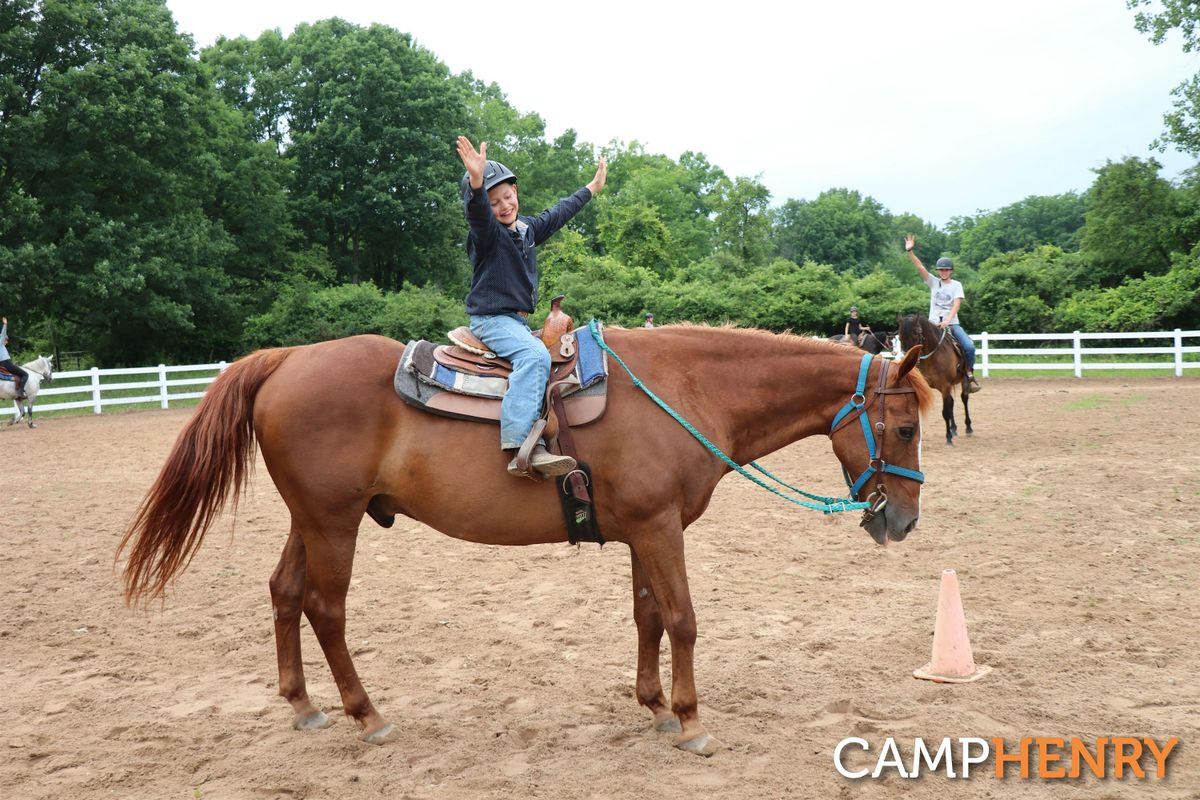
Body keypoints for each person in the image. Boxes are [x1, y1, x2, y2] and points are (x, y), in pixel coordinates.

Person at [456, 136, 607, 477]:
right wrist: (477, 184)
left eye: (507, 196)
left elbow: (559, 212)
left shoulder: (526, 229)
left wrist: (592, 188)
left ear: (516, 191)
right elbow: (478, 216)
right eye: (495, 202)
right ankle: (520, 445)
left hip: (515, 321)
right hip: (492, 320)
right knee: (534, 356)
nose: (504, 205)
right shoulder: (487, 234)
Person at [904, 235, 980, 392]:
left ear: (950, 271)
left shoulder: (956, 285)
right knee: (915, 344)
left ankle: (969, 374)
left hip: (951, 324)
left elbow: (956, 305)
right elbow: (920, 267)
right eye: (941, 270)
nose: (943, 272)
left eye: (946, 269)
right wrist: (910, 251)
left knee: (969, 346)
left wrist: (947, 321)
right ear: (938, 271)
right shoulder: (933, 282)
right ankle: (911, 374)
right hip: (932, 325)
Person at [0, 316, 28, 400]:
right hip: (7, 364)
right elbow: (3, 334)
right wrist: (5, 325)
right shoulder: (0, 344)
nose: (6, 341)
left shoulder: (2, 347)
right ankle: (20, 391)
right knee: (25, 374)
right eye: (6, 340)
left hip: (2, 364)